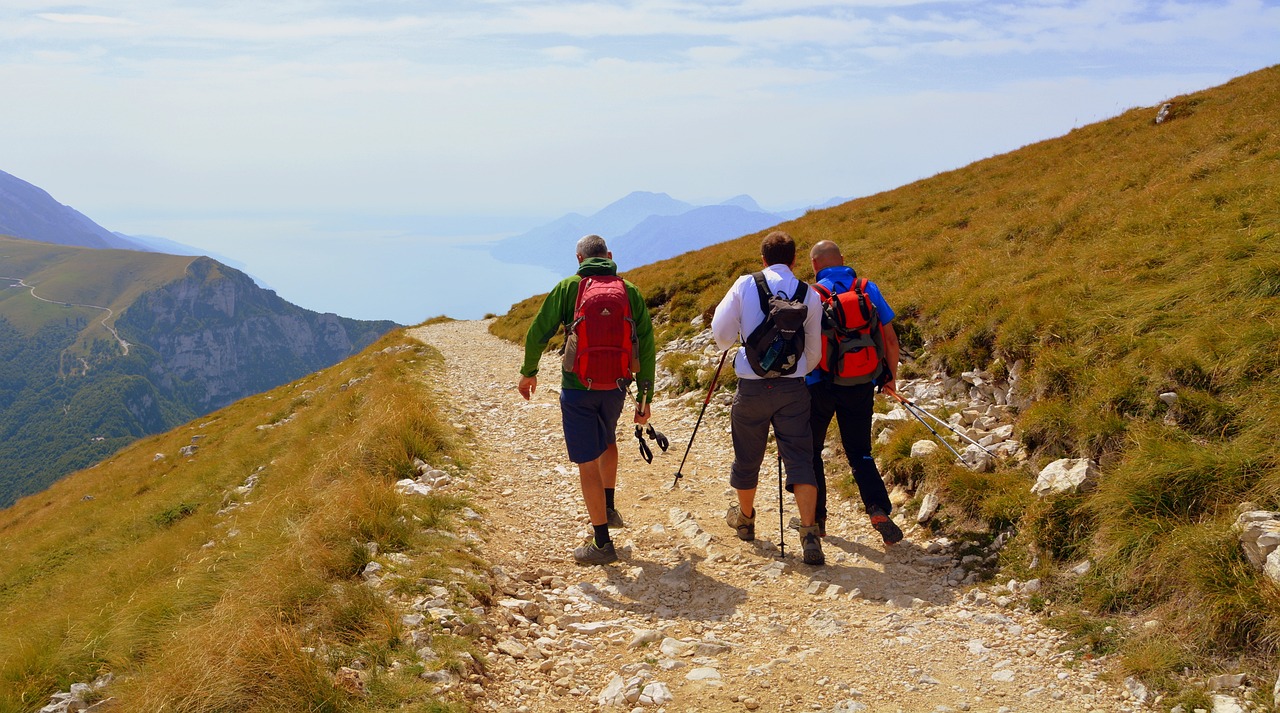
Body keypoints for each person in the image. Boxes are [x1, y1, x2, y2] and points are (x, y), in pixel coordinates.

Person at [518, 235, 656, 565]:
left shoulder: (569, 287)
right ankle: (608, 507)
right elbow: (647, 344)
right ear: (609, 256)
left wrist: (529, 370)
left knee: (585, 461)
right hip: (616, 386)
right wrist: (645, 398)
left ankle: (602, 543)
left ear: (579, 258)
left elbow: (539, 330)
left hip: (578, 386)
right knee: (607, 439)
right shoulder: (629, 290)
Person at [710, 230, 826, 565]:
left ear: (763, 259)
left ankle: (746, 519)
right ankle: (809, 533)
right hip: (793, 389)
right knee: (801, 459)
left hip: (752, 387)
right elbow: (815, 349)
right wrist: (795, 369)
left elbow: (721, 334)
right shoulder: (809, 293)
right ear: (794, 259)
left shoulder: (745, 284)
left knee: (748, 456)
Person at [806, 239, 903, 545]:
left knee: (811, 453)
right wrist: (890, 378)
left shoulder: (813, 294)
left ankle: (817, 520)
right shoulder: (867, 288)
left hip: (819, 384)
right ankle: (877, 508)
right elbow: (889, 339)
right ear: (843, 259)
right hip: (860, 382)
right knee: (860, 452)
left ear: (814, 266)